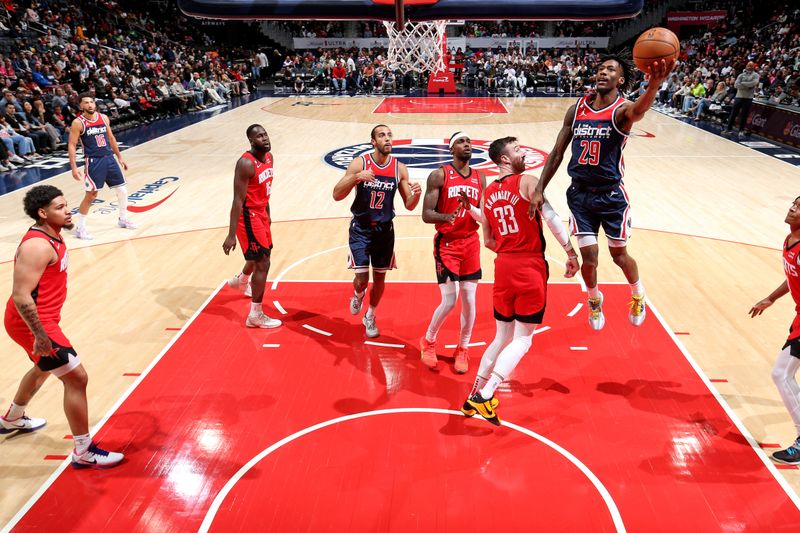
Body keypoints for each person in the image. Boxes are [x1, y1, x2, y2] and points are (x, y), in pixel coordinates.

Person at [530, 54, 673, 331]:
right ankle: (594, 300)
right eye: (600, 69)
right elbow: (558, 152)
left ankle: (637, 293)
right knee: (590, 258)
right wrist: (539, 188)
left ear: (620, 80)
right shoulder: (577, 109)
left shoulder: (622, 111)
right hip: (580, 196)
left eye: (610, 70)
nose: (603, 73)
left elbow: (640, 110)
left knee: (619, 255)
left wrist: (653, 86)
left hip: (611, 197)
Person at [2, 185, 124, 468]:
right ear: (42, 213)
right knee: (76, 377)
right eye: (60, 207)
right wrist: (41, 336)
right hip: (33, 322)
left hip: (42, 320)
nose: (67, 210)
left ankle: (12, 417)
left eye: (66, 204)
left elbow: (73, 218)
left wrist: (88, 199)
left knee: (44, 368)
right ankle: (84, 450)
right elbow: (21, 296)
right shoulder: (37, 246)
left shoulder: (52, 232)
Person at [462, 137, 579, 425]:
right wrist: (570, 252)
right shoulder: (527, 182)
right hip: (529, 266)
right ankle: (485, 395)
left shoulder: (487, 193)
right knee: (523, 338)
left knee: (501, 336)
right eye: (516, 150)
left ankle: (474, 393)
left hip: (503, 267)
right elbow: (550, 218)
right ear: (504, 159)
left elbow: (488, 240)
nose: (523, 152)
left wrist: (477, 216)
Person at [332, 124, 421, 337]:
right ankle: (357, 293)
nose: (388, 139)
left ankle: (370, 315)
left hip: (384, 231)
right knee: (362, 279)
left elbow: (409, 204)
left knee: (380, 280)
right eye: (382, 135)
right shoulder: (359, 163)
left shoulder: (399, 168)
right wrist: (356, 177)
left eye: (390, 135)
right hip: (361, 228)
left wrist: (416, 194)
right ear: (373, 141)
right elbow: (336, 194)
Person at [420, 132, 486, 373]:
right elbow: (427, 214)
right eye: (461, 141)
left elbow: (484, 214)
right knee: (450, 300)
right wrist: (445, 216)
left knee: (469, 300)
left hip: (471, 242)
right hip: (447, 244)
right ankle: (428, 341)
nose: (467, 144)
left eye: (469, 141)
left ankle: (463, 348)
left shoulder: (480, 177)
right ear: (451, 149)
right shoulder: (439, 175)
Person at [749, 196, 800, 464]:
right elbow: (792, 276)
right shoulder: (789, 241)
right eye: (794, 203)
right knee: (783, 374)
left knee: (781, 373)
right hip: (799, 317)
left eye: (799, 207)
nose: (792, 208)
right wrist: (771, 298)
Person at [222, 124, 282, 329]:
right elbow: (237, 200)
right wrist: (231, 235)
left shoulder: (270, 157)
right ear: (251, 141)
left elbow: (265, 190)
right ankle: (255, 315)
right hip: (247, 217)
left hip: (261, 213)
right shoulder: (246, 164)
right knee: (263, 262)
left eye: (265, 134)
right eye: (259, 136)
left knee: (262, 253)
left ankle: (242, 280)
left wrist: (268, 214)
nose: (264, 138)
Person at [68, 93, 136, 240]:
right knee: (91, 195)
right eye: (86, 103)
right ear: (81, 106)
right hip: (93, 161)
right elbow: (72, 145)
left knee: (122, 190)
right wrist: (74, 167)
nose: (90, 105)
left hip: (109, 158)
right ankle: (80, 228)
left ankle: (123, 219)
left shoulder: (103, 118)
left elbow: (111, 138)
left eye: (91, 102)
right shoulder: (78, 123)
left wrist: (120, 157)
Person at [722, 62, 759, 139]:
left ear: (753, 67)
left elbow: (754, 83)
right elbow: (736, 85)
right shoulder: (741, 75)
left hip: (748, 98)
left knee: (744, 115)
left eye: (751, 66)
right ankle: (728, 129)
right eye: (748, 65)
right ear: (746, 66)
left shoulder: (755, 75)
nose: (749, 67)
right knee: (733, 114)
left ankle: (741, 131)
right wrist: (748, 86)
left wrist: (742, 84)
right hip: (739, 97)